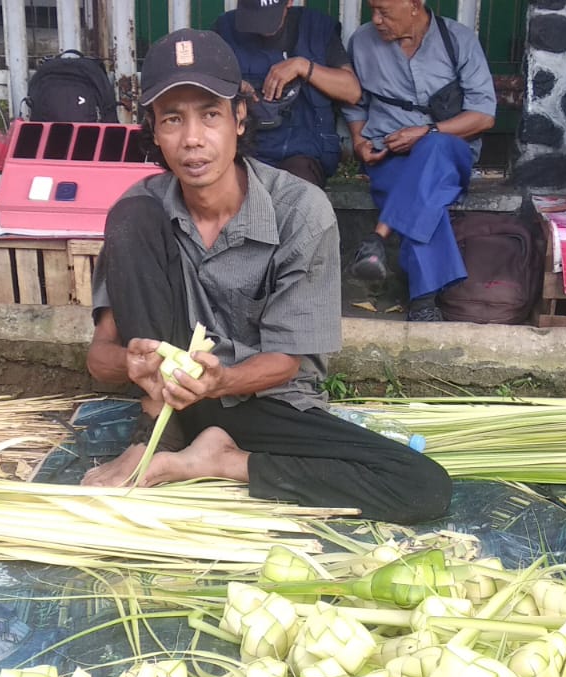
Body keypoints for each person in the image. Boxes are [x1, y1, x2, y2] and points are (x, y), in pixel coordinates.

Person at [81, 28, 451, 525]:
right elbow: (99, 357)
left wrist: (221, 382)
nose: (192, 139)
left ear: (239, 117)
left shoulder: (300, 210)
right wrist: (131, 363)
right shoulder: (140, 210)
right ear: (154, 129)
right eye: (173, 119)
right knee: (132, 214)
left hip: (264, 401)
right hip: (170, 406)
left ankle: (220, 461)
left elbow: (286, 361)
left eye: (210, 114)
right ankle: (154, 437)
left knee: (422, 487)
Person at [342, 0, 495, 323]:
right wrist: (358, 141)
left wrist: (427, 131)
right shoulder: (362, 41)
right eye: (372, 9)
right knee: (425, 196)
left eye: (384, 10)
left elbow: (484, 116)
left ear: (415, 5)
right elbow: (356, 105)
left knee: (432, 147)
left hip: (450, 152)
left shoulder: (459, 40)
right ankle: (424, 303)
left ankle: (378, 236)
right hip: (389, 153)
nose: (377, 19)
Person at [212, 0, 361, 188]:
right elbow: (204, 89)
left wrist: (303, 67)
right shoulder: (226, 29)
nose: (261, 26)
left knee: (298, 195)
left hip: (302, 153)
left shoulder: (316, 29)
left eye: (269, 16)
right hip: (246, 150)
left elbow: (352, 91)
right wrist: (233, 86)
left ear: (289, 2)